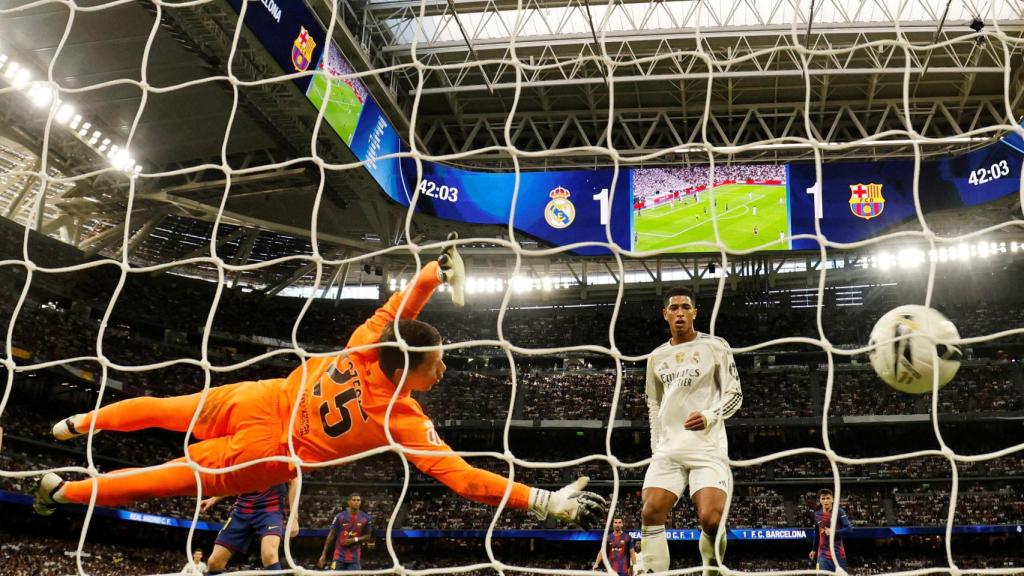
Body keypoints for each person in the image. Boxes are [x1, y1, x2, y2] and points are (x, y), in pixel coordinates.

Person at [34, 236, 607, 532]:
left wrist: (434, 272)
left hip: (262, 395)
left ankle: (79, 423)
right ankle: (63, 492)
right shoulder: (401, 419)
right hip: (272, 451)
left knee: (164, 407)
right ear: (406, 370)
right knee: (163, 481)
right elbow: (463, 479)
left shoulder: (366, 344)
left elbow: (397, 307)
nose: (445, 367)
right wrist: (539, 499)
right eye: (437, 363)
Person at [639, 286, 742, 576]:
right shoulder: (656, 357)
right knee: (650, 512)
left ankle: (711, 569)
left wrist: (710, 415)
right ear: (665, 314)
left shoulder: (716, 346)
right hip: (669, 450)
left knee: (711, 519)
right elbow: (653, 403)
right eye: (674, 308)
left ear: (695, 312)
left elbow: (735, 395)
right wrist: (655, 446)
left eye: (685, 307)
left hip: (706, 448)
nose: (680, 312)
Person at [200, 481, 299, 574]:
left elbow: (294, 480)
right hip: (242, 508)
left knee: (270, 555)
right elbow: (234, 481)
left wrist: (294, 518)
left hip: (271, 508)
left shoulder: (281, 463)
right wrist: (213, 499)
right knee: (214, 562)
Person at [319, 493, 373, 570]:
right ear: (349, 502)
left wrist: (354, 540)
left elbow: (368, 536)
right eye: (354, 500)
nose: (356, 502)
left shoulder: (365, 518)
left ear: (360, 502)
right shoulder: (340, 516)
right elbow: (331, 535)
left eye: (358, 500)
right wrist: (323, 554)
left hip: (354, 559)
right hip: (338, 557)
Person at [808, 489, 852, 572]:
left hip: (838, 555)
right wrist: (814, 549)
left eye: (828, 498)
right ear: (820, 500)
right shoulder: (817, 514)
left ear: (833, 499)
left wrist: (833, 532)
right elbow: (817, 533)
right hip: (822, 555)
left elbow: (849, 530)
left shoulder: (839, 512)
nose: (826, 501)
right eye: (823, 499)